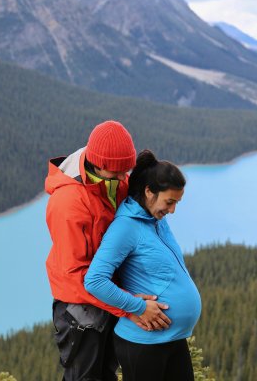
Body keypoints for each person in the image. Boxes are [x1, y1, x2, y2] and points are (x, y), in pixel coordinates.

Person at [45, 121, 170, 381]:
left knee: (107, 374)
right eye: (118, 173)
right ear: (98, 164)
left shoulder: (114, 180)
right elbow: (77, 274)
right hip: (79, 307)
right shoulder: (68, 203)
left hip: (111, 294)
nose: (124, 178)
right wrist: (131, 306)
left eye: (127, 171)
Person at [85, 149, 202, 381]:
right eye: (169, 202)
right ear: (149, 192)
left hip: (172, 338)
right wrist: (137, 307)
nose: (172, 210)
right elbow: (94, 280)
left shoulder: (155, 219)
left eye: (176, 203)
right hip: (143, 342)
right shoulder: (125, 227)